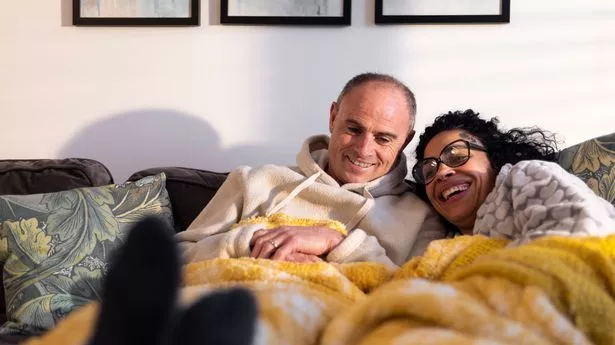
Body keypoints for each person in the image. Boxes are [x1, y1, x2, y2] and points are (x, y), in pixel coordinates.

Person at [176, 73, 447, 268]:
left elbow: (412, 297)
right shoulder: (253, 181)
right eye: (354, 129)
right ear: (332, 117)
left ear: (406, 141)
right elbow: (174, 259)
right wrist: (252, 242)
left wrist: (338, 243)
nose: (364, 150)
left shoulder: (422, 218)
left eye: (383, 139)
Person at [413, 109, 615, 244]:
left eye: (456, 156)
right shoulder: (442, 246)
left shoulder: (528, 176)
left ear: (493, 157)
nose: (440, 172)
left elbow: (580, 239)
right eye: (428, 171)